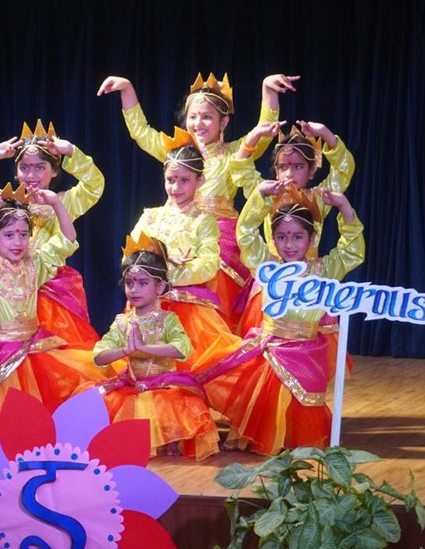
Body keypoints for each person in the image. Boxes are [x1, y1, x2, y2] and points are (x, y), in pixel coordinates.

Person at [97, 72, 299, 328]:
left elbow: (263, 134)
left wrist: (268, 92)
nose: (198, 123)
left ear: (223, 121)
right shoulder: (176, 153)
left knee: (214, 280)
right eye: (193, 116)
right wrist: (127, 89)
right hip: (177, 228)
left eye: (207, 117)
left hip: (220, 234)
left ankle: (210, 338)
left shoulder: (233, 152)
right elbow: (142, 133)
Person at [198, 183, 364, 455]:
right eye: (282, 237)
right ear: (273, 239)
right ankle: (268, 440)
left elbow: (352, 251)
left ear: (312, 238)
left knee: (302, 410)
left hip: (308, 353)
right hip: (271, 349)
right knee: (267, 398)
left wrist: (344, 207)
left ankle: (292, 442)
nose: (289, 244)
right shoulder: (267, 267)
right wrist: (259, 197)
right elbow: (245, 234)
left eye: (298, 237)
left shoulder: (324, 270)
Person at [0, 184, 103, 442]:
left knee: (40, 416)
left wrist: (57, 204)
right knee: (8, 421)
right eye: (9, 235)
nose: (17, 242)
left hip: (34, 350)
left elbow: (67, 239)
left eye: (23, 234)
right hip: (3, 354)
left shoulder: (36, 264)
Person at [75, 233, 218, 460]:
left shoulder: (168, 320)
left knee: (173, 403)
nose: (134, 290)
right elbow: (99, 356)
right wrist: (125, 351)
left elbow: (182, 348)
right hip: (132, 385)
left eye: (142, 283)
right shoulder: (122, 322)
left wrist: (144, 347)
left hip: (165, 387)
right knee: (97, 401)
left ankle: (169, 443)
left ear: (160, 287)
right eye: (129, 283)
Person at [0, 120, 104, 349]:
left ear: (54, 170)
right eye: (24, 167)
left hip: (51, 290)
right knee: (16, 348)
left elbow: (94, 185)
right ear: (16, 171)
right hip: (13, 287)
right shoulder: (5, 201)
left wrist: (71, 152)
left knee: (54, 356)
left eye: (40, 167)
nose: (31, 174)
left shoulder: (63, 201)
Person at [129, 128, 241, 374]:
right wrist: (160, 261)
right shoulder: (151, 217)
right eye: (171, 180)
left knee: (189, 373)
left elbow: (209, 264)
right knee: (140, 373)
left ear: (200, 181)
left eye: (184, 180)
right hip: (148, 306)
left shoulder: (204, 221)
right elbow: (130, 256)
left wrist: (167, 275)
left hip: (189, 310)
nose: (176, 187)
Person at [231, 121, 355, 336]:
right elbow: (241, 168)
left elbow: (344, 170)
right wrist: (255, 135)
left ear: (311, 170)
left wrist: (325, 133)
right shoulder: (266, 193)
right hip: (273, 280)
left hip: (311, 282)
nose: (289, 173)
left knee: (311, 339)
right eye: (283, 167)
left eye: (298, 167)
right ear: (276, 171)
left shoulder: (320, 198)